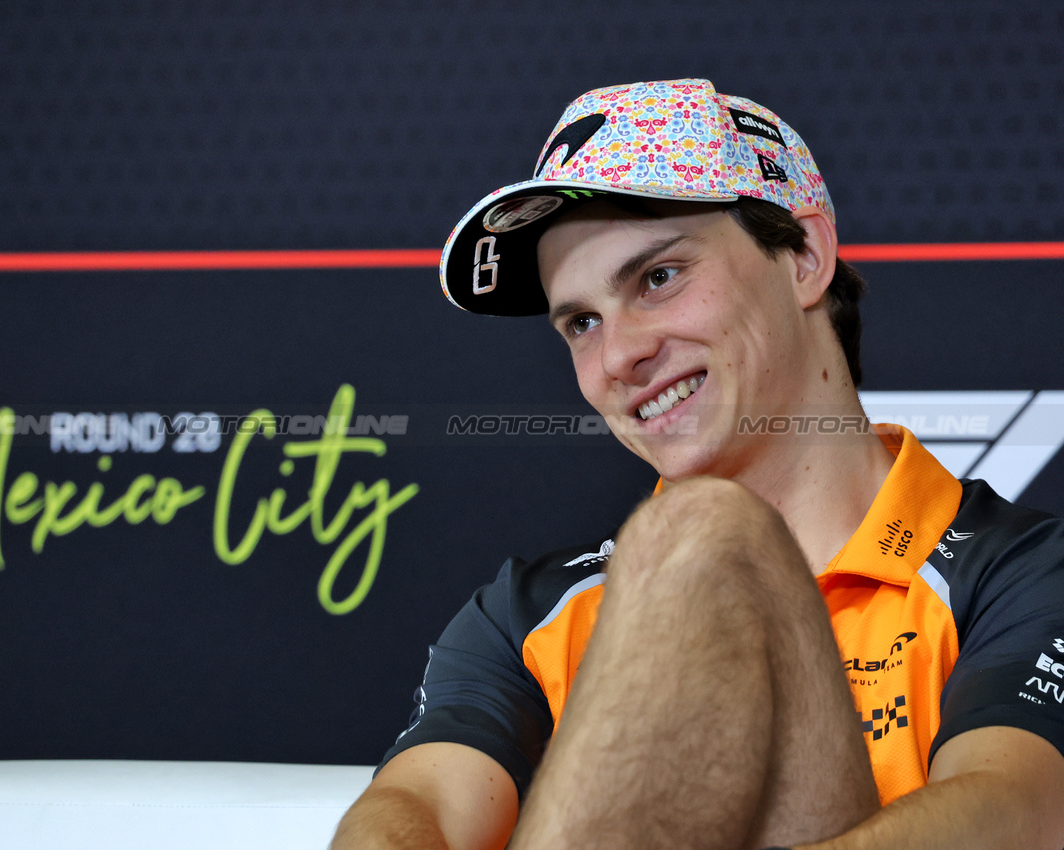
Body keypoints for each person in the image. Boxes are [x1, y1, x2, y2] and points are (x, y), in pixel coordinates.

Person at [331, 79, 1064, 850]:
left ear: (804, 257)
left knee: (711, 533)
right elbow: (409, 807)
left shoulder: (1021, 573)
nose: (618, 355)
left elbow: (1019, 811)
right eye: (581, 323)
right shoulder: (525, 613)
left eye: (658, 278)